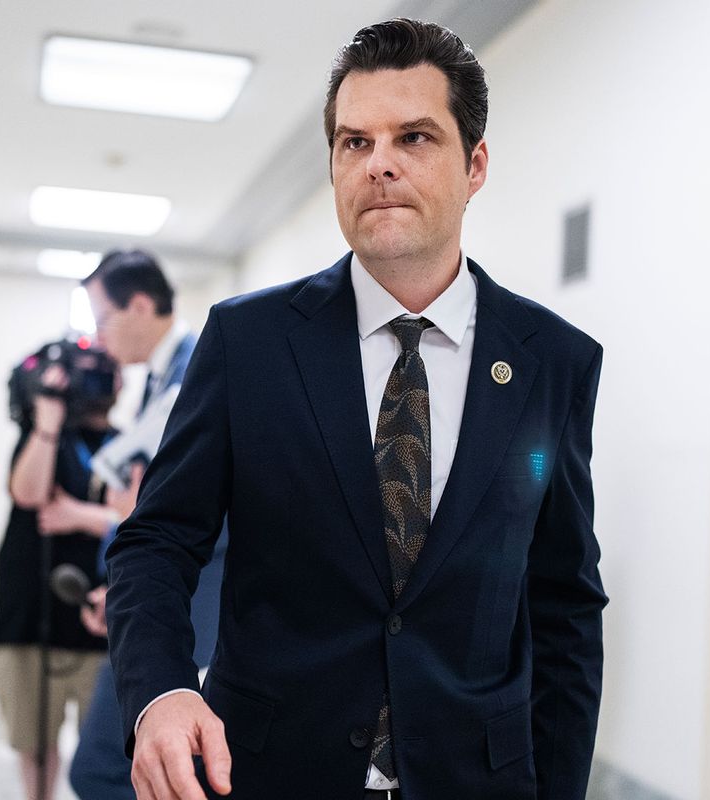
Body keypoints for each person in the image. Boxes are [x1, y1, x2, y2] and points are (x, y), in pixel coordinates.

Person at [107, 18, 606, 800]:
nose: (379, 165)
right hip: (273, 773)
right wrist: (162, 692)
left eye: (414, 138)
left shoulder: (553, 362)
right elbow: (156, 541)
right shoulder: (251, 343)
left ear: (474, 166)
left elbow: (565, 604)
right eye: (354, 142)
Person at [68, 249, 227, 800]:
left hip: (188, 607)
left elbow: (156, 511)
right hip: (152, 596)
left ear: (139, 306)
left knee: (105, 770)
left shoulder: (196, 372)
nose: (98, 337)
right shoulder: (161, 380)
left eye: (102, 319)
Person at [0, 349, 119, 800]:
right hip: (28, 617)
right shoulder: (40, 436)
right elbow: (27, 494)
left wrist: (76, 515)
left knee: (105, 752)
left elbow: (135, 512)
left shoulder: (126, 445)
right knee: (34, 744)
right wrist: (47, 424)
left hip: (99, 620)